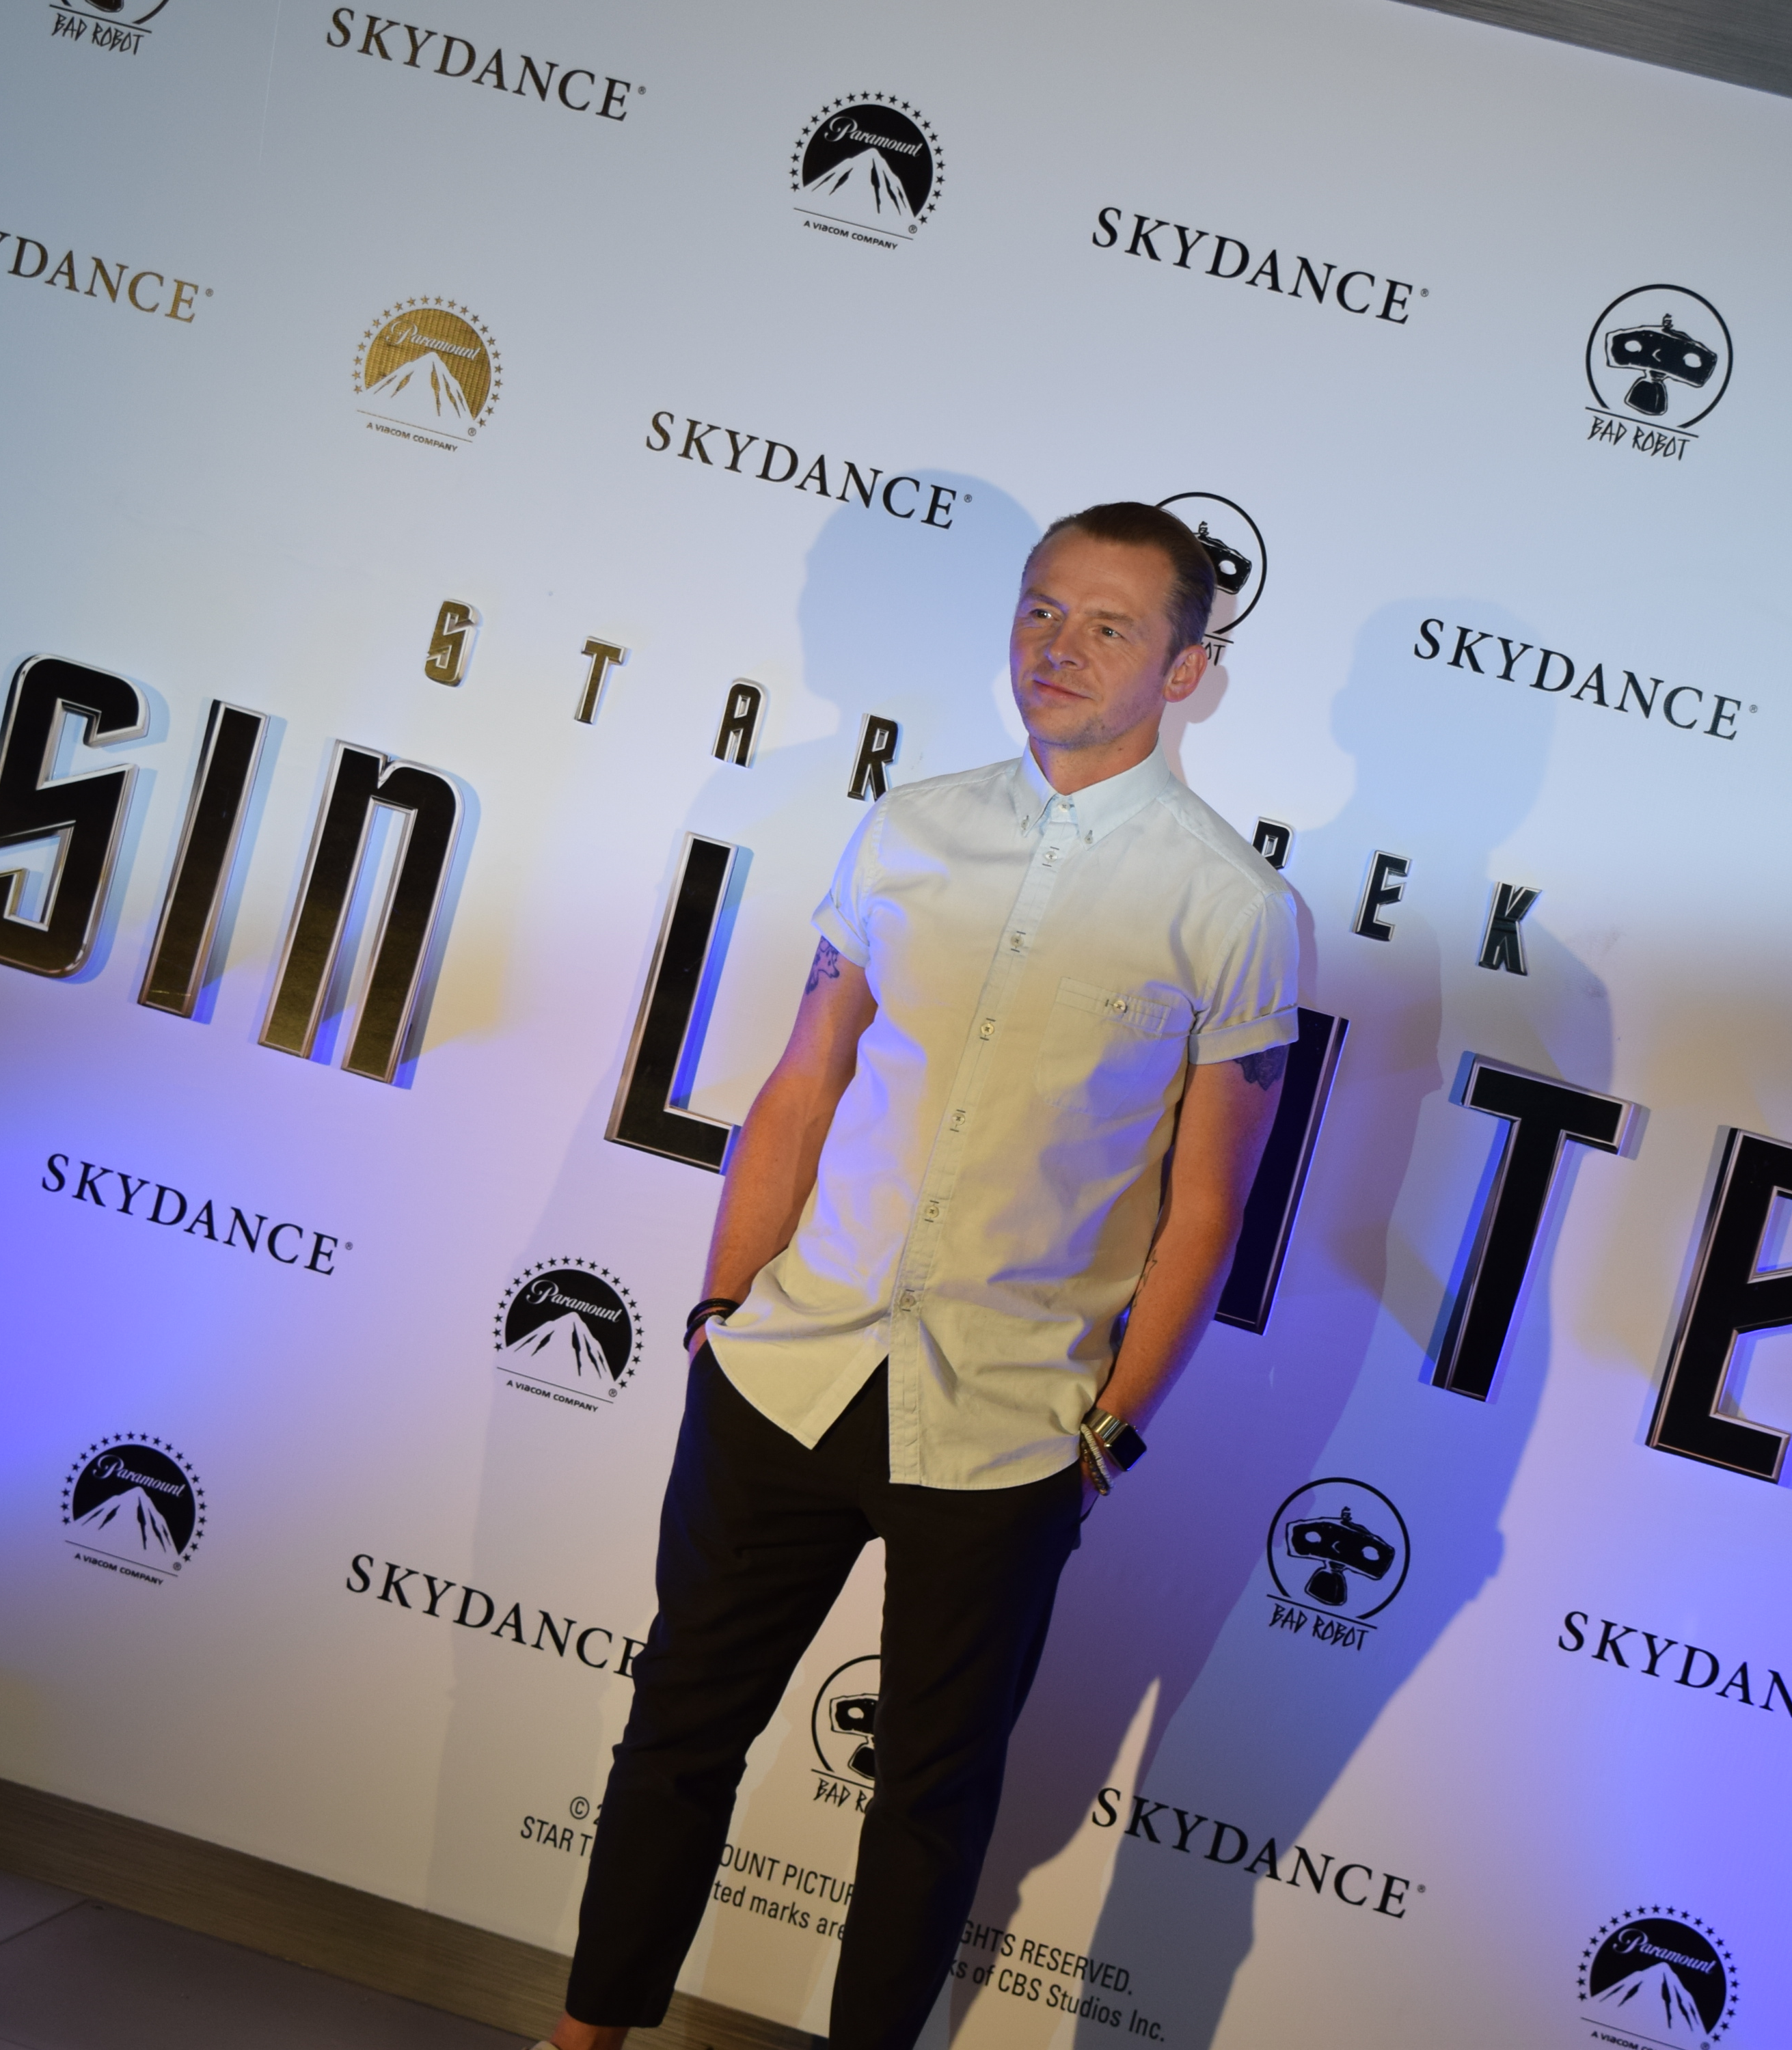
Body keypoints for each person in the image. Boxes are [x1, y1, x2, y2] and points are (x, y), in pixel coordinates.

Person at [543, 503, 1297, 2050]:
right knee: (678, 1732)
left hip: (1009, 1426)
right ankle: (583, 2040)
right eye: (1039, 610)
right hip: (786, 1371)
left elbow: (1207, 1209)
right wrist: (721, 1311)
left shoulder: (1232, 908)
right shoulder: (909, 830)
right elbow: (803, 1081)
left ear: (1187, 672)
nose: (1057, 648)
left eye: (1107, 626)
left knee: (930, 1803)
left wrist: (1110, 1433)